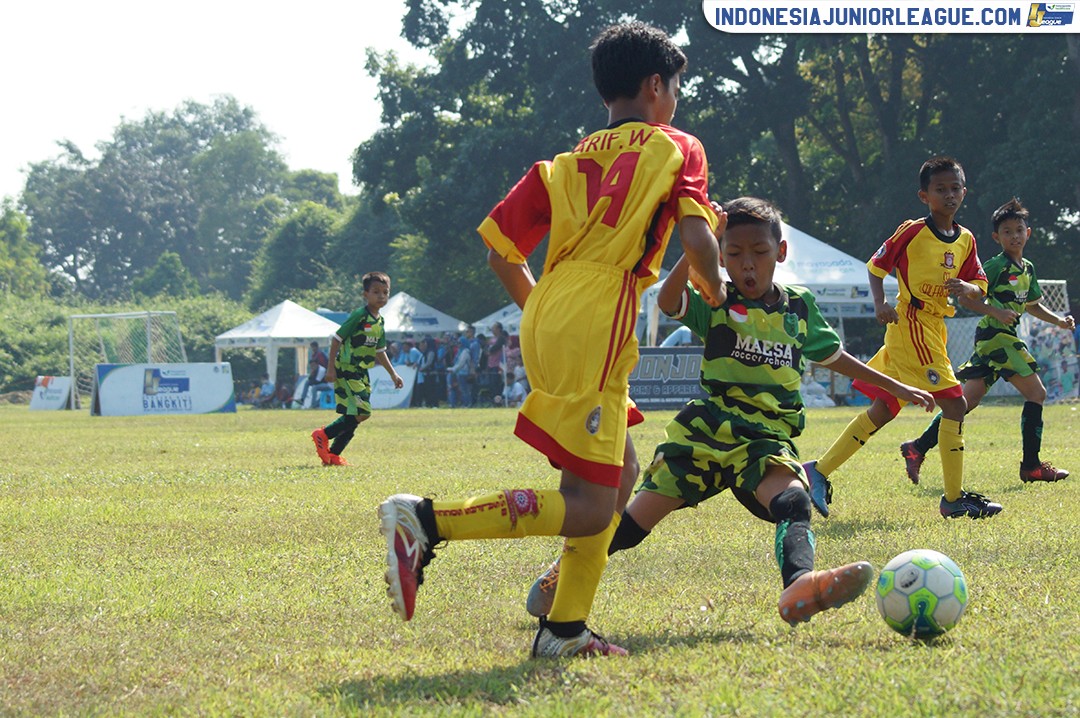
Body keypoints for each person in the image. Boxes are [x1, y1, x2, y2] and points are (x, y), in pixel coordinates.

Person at [377, 21, 726, 658]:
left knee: (620, 475)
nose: (676, 101)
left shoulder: (563, 164)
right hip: (600, 311)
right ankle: (426, 520)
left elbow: (500, 254)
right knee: (589, 505)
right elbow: (699, 238)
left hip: (546, 307)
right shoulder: (677, 146)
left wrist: (550, 313)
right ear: (655, 85)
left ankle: (564, 631)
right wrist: (717, 288)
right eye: (676, 88)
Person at [523, 198, 935, 625]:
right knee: (632, 526)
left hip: (763, 441)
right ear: (720, 256)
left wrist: (896, 386)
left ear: (780, 252)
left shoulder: (799, 307)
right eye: (734, 253)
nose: (748, 264)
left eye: (759, 251)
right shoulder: (715, 298)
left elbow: (835, 356)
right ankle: (564, 572)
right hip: (706, 435)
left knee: (794, 501)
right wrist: (697, 246)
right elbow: (668, 300)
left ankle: (800, 583)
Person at [804, 156, 1003, 520]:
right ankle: (953, 499)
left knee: (884, 409)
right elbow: (876, 266)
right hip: (910, 322)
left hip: (934, 327)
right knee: (955, 406)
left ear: (964, 192)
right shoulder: (912, 231)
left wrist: (968, 287)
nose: (949, 195)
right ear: (924, 196)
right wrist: (880, 302)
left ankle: (818, 469)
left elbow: (980, 284)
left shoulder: (966, 239)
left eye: (955, 188)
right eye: (940, 189)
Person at [901, 198, 1074, 484]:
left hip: (996, 338)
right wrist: (996, 312)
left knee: (964, 403)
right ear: (996, 237)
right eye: (1007, 232)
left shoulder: (1028, 268)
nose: (1014, 236)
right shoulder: (995, 266)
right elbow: (966, 298)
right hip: (996, 337)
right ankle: (1031, 466)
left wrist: (1058, 321)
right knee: (1037, 393)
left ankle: (916, 448)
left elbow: (1032, 305)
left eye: (1019, 230)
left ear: (1028, 233)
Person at [311, 271, 404, 466]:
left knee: (354, 414)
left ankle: (333, 455)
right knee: (364, 412)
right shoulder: (359, 316)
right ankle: (323, 434)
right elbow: (336, 340)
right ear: (365, 294)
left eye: (385, 292)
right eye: (376, 292)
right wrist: (330, 369)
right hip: (347, 368)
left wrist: (393, 374)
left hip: (361, 370)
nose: (381, 296)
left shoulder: (380, 321)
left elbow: (380, 350)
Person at [296, 341, 331, 408]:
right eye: (312, 347)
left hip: (323, 378)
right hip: (318, 376)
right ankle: (303, 399)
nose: (312, 349)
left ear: (316, 347)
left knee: (314, 387)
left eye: (313, 347)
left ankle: (313, 404)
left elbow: (324, 366)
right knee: (307, 383)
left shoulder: (320, 355)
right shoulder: (314, 355)